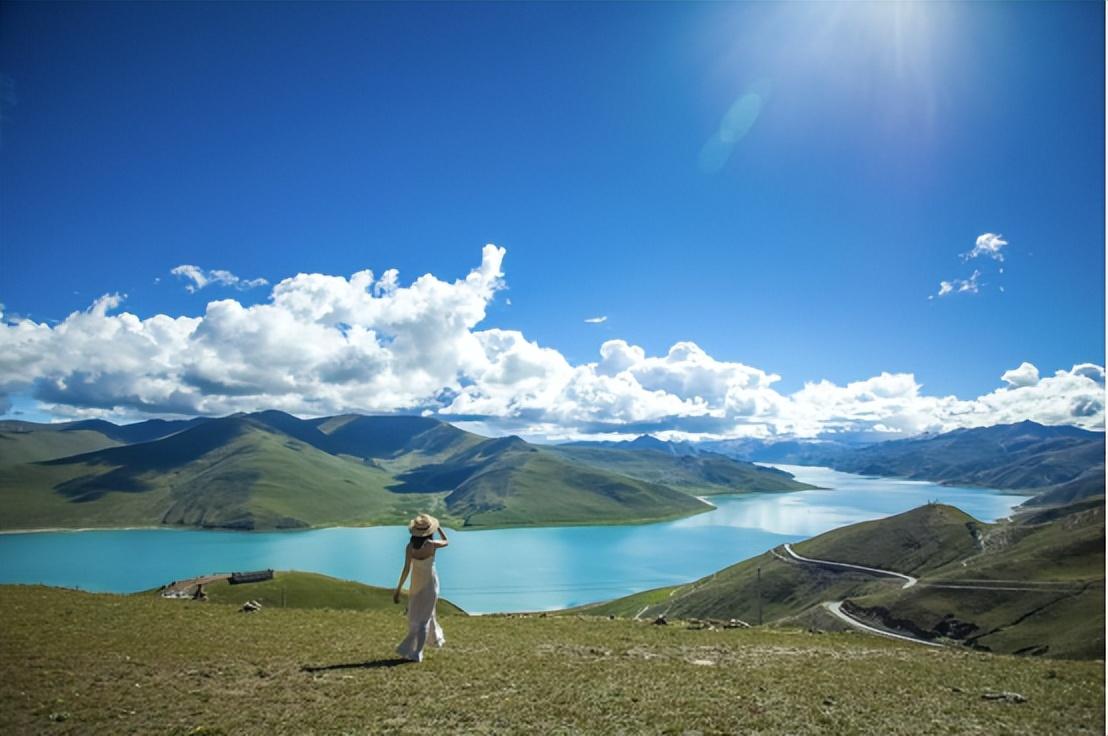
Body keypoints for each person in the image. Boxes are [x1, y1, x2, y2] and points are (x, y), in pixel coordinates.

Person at [394, 513, 448, 662]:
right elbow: (446, 541)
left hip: (415, 585)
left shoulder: (410, 547)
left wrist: (398, 589)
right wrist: (439, 528)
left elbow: (406, 569)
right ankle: (418, 652)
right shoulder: (432, 545)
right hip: (431, 584)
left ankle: (416, 649)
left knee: (415, 617)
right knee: (425, 618)